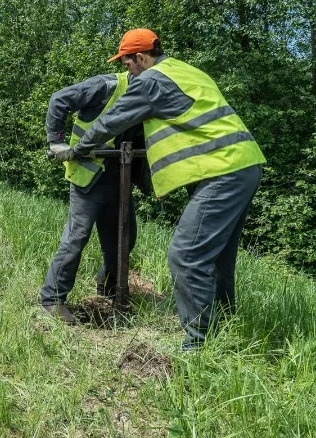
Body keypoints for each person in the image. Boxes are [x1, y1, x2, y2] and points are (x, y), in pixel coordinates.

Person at [52, 28, 266, 349]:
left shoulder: (151, 82)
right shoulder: (186, 70)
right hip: (244, 163)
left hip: (222, 170)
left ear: (140, 58)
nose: (127, 71)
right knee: (219, 260)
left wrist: (76, 149)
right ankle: (225, 335)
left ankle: (197, 350)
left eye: (128, 64)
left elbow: (111, 122)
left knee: (186, 256)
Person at [41, 69, 148, 323]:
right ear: (138, 61)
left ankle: (110, 289)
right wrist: (56, 142)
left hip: (119, 177)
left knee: (124, 238)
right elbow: (59, 99)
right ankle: (52, 299)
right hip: (88, 176)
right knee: (76, 237)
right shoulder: (108, 86)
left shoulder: (149, 93)